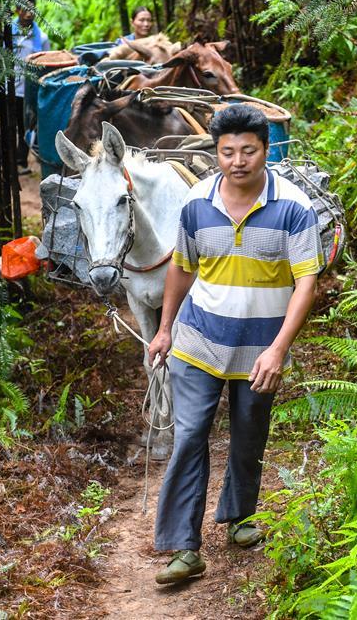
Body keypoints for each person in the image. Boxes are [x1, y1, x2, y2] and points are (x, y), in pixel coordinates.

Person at [146, 104, 323, 586]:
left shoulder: (294, 207)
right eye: (227, 151)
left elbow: (307, 282)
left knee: (249, 433)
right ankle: (184, 547)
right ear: (216, 153)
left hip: (260, 348)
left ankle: (240, 517)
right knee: (189, 437)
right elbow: (182, 267)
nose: (238, 160)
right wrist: (165, 329)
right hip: (198, 340)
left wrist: (279, 349)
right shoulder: (197, 203)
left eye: (249, 150)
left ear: (266, 150)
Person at [12, 0, 50, 174]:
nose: (29, 13)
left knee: (26, 124)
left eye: (32, 9)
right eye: (25, 9)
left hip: (28, 90)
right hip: (9, 88)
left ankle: (20, 161)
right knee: (11, 125)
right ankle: (11, 159)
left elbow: (47, 64)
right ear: (16, 10)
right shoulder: (7, 33)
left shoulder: (41, 38)